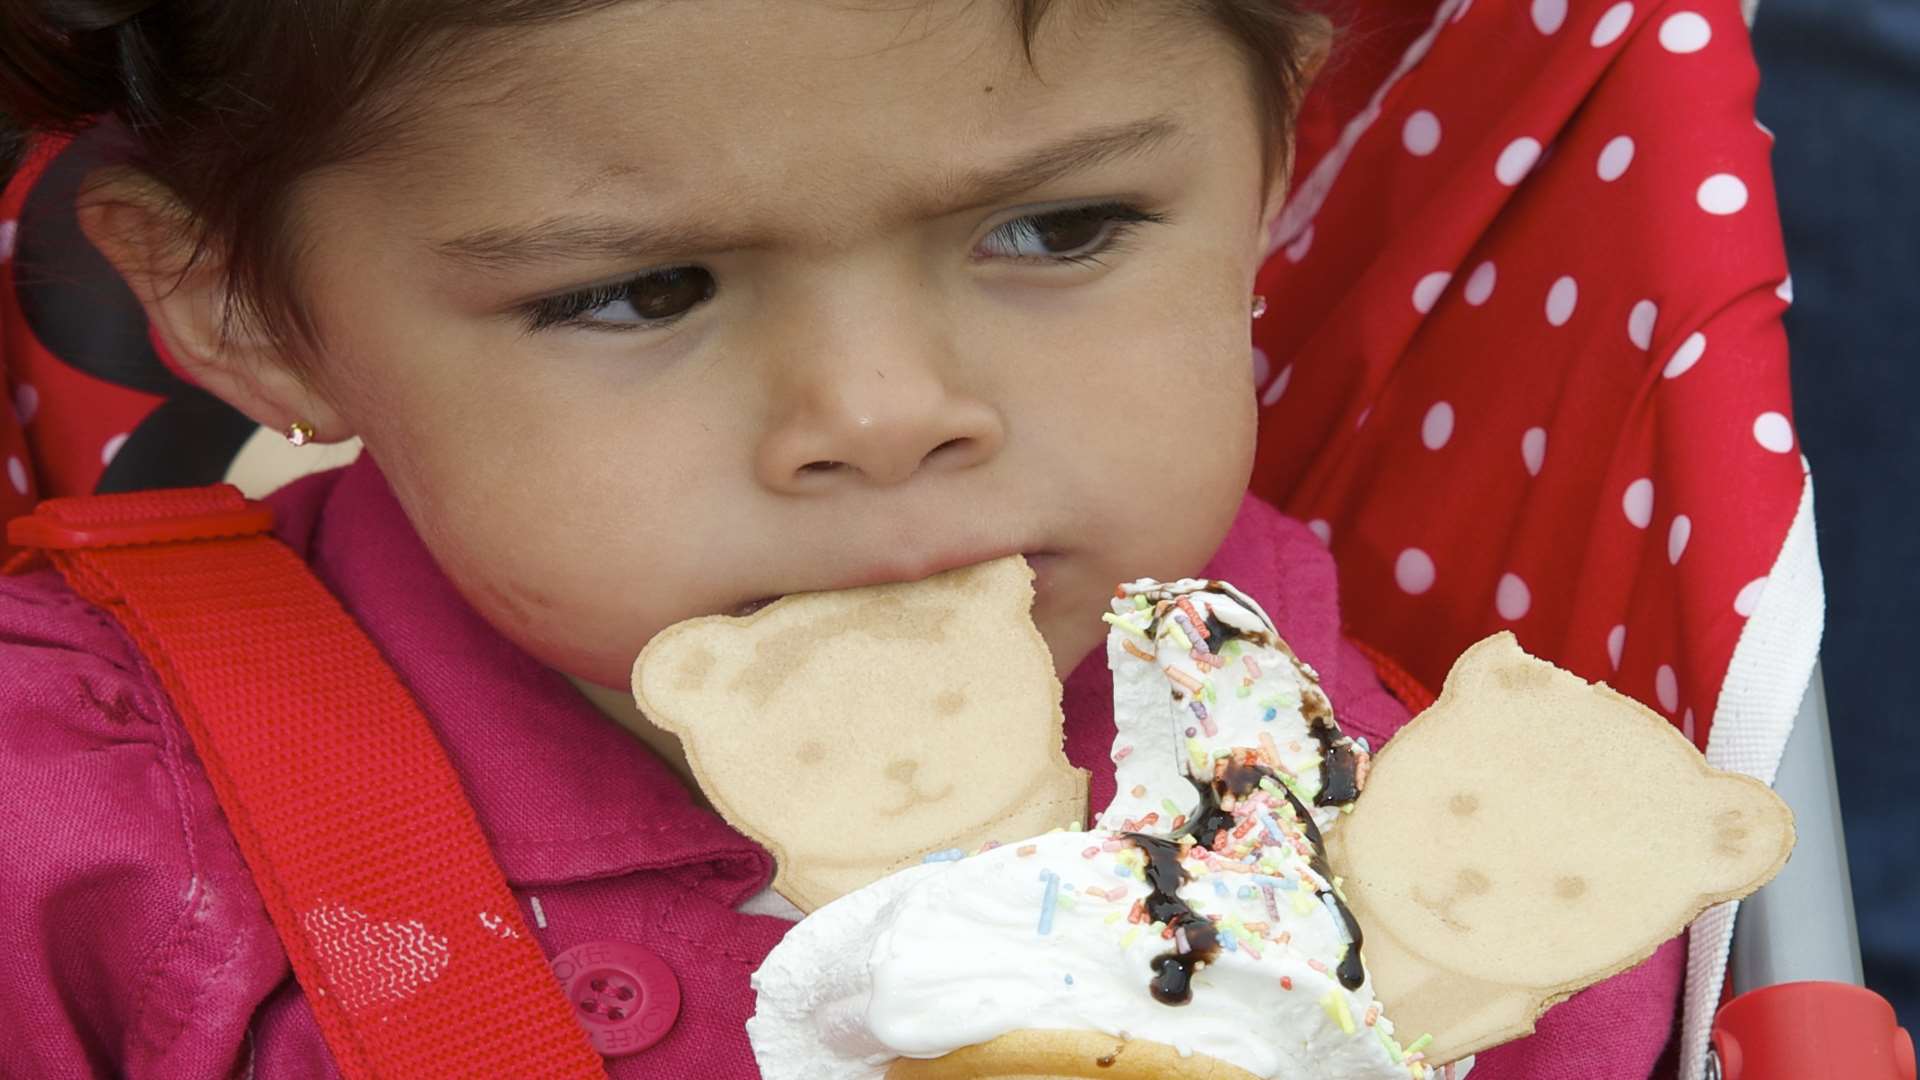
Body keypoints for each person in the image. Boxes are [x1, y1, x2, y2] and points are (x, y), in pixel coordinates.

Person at [0, 2, 1680, 1076]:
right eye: (637, 290)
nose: (885, 414)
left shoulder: (1445, 863)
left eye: (1058, 226)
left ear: (1275, 165)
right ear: (239, 304)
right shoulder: (73, 821)